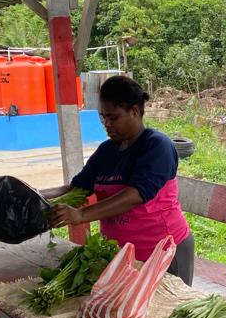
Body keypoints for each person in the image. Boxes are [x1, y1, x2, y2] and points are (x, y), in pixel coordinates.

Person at [49, 75, 194, 284]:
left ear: (134, 111)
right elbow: (77, 188)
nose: (106, 124)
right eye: (103, 117)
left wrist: (81, 215)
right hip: (121, 254)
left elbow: (135, 195)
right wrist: (36, 195)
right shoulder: (107, 150)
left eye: (113, 117)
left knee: (164, 312)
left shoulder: (157, 146)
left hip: (163, 252)